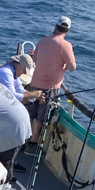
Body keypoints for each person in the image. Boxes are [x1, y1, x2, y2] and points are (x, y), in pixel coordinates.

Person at [27, 16, 77, 146]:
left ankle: (24, 138)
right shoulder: (66, 45)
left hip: (34, 84)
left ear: (55, 26)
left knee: (30, 113)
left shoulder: (43, 41)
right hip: (51, 88)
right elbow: (72, 68)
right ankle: (33, 141)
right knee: (41, 116)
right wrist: (64, 65)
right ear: (68, 31)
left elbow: (34, 58)